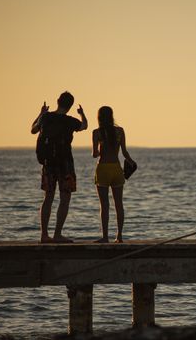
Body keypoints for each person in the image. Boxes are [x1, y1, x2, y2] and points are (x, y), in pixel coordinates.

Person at [31, 91, 88, 243]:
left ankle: (44, 235)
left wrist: (41, 113)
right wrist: (82, 114)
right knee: (65, 198)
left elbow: (33, 130)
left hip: (48, 163)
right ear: (70, 106)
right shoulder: (71, 121)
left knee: (48, 198)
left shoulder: (46, 117)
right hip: (65, 164)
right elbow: (84, 126)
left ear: (57, 101)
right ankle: (57, 234)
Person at [92, 106, 135, 243]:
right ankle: (119, 236)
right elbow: (124, 153)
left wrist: (99, 150)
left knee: (104, 205)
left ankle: (105, 237)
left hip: (103, 169)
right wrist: (132, 163)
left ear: (99, 117)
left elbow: (94, 154)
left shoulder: (97, 133)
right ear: (111, 116)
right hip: (116, 169)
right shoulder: (120, 131)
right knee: (119, 204)